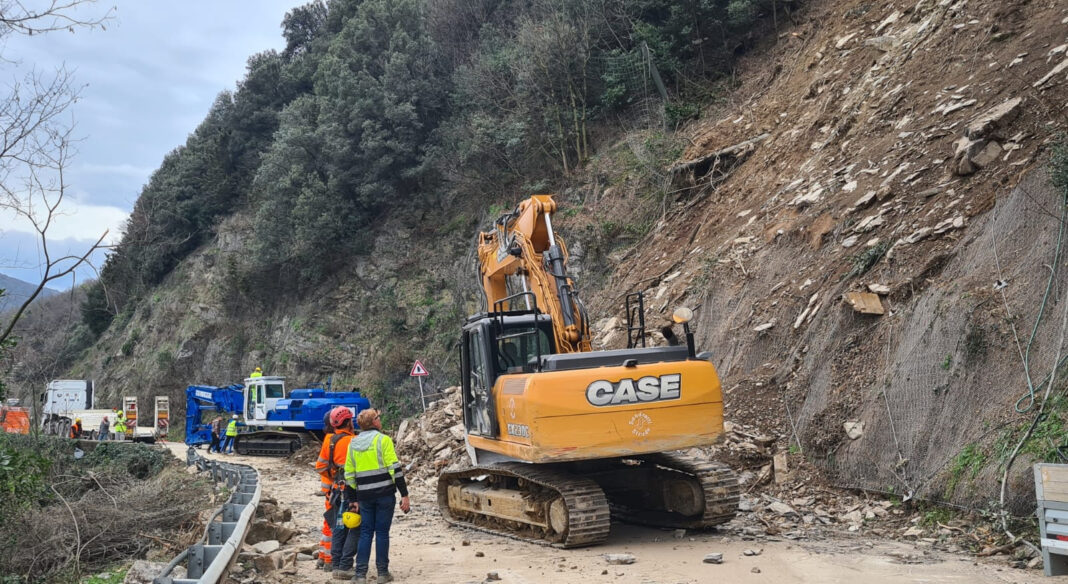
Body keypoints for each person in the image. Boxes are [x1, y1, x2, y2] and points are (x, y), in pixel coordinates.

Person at [343, 409, 409, 583]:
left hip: (364, 496)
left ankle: (359, 575)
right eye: (378, 417)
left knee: (365, 533)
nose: (380, 419)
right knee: (382, 533)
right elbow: (395, 469)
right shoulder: (383, 440)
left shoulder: (353, 444)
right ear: (374, 422)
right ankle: (382, 573)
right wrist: (405, 494)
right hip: (385, 495)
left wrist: (353, 500)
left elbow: (348, 475)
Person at [318, 407, 357, 580]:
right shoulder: (354, 441)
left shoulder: (330, 441)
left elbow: (320, 466)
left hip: (334, 490)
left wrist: (333, 476)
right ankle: (343, 563)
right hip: (351, 491)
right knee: (352, 526)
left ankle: (332, 561)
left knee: (336, 525)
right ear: (348, 422)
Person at [315, 410, 338, 569]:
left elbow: (321, 466)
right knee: (334, 524)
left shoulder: (328, 439)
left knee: (328, 523)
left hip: (329, 490)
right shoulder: (333, 440)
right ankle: (329, 560)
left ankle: (323, 556)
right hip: (334, 490)